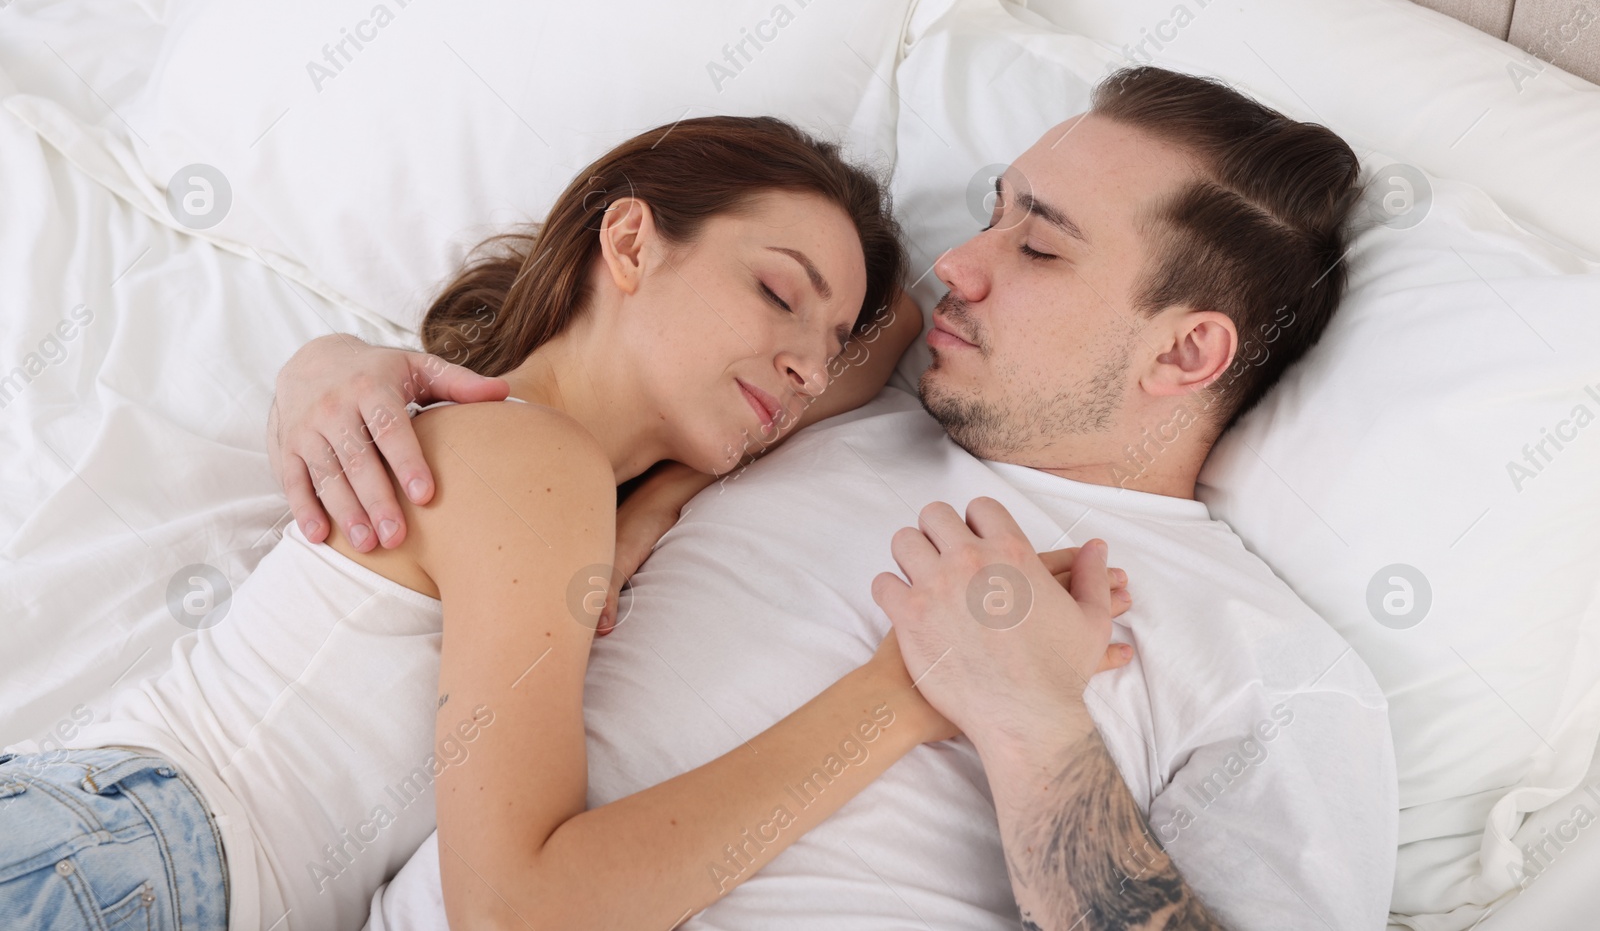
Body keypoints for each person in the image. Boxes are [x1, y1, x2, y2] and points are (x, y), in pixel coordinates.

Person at [278, 66, 1399, 931]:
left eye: (1039, 246)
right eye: (994, 212)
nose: (959, 262)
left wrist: (1036, 728)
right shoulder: (822, 408)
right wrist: (333, 367)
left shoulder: (1271, 664)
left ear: (1188, 350)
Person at [0, 115, 1136, 931]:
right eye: (777, 290)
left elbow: (884, 327)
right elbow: (520, 909)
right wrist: (905, 692)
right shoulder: (529, 462)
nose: (805, 360)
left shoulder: (527, 458)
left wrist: (654, 500)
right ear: (630, 243)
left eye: (818, 340)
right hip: (124, 865)